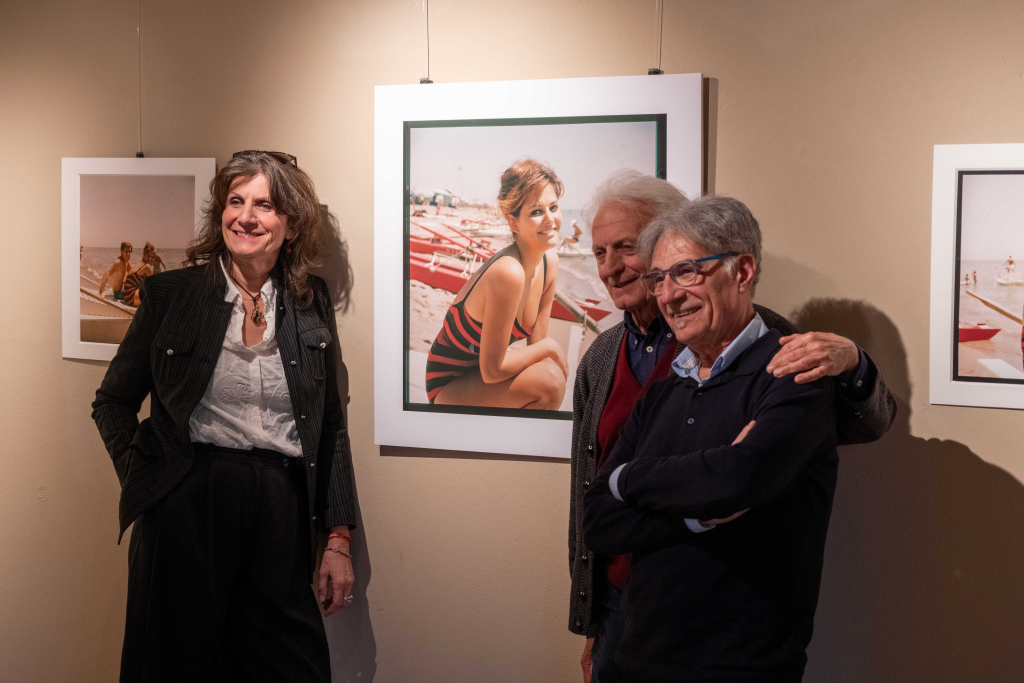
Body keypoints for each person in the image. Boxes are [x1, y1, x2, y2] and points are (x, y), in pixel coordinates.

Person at [568, 172, 897, 683]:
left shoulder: (781, 353)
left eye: (627, 247)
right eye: (600, 252)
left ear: (741, 272)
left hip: (735, 650)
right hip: (626, 621)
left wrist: (854, 361)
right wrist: (591, 615)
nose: (612, 267)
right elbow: (592, 507)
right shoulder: (605, 356)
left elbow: (745, 474)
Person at [92, 150, 358, 683]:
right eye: (236, 202)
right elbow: (113, 401)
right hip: (187, 503)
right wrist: (149, 481)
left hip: (282, 505)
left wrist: (338, 538)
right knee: (173, 666)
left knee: (294, 667)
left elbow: (328, 424)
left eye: (265, 205)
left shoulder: (310, 301)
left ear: (291, 224)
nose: (246, 217)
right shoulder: (171, 295)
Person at [425, 158, 567, 409]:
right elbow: (493, 371)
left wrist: (547, 350)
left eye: (553, 207)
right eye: (536, 211)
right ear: (514, 223)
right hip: (448, 382)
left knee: (549, 376)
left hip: (479, 375)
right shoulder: (508, 272)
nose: (550, 219)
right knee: (550, 382)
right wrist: (551, 347)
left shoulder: (549, 264)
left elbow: (537, 352)